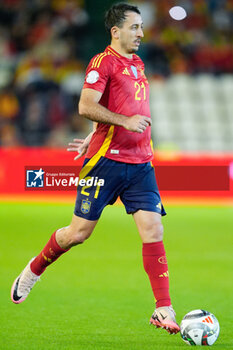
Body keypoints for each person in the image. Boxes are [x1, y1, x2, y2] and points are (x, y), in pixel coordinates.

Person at [11, 3, 180, 335]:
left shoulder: (138, 63)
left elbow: (117, 104)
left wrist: (94, 134)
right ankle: (33, 270)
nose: (141, 34)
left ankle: (163, 309)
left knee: (153, 231)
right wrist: (118, 126)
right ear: (116, 31)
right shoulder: (102, 63)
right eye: (135, 28)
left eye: (142, 27)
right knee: (78, 234)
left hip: (141, 163)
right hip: (106, 163)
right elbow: (86, 105)